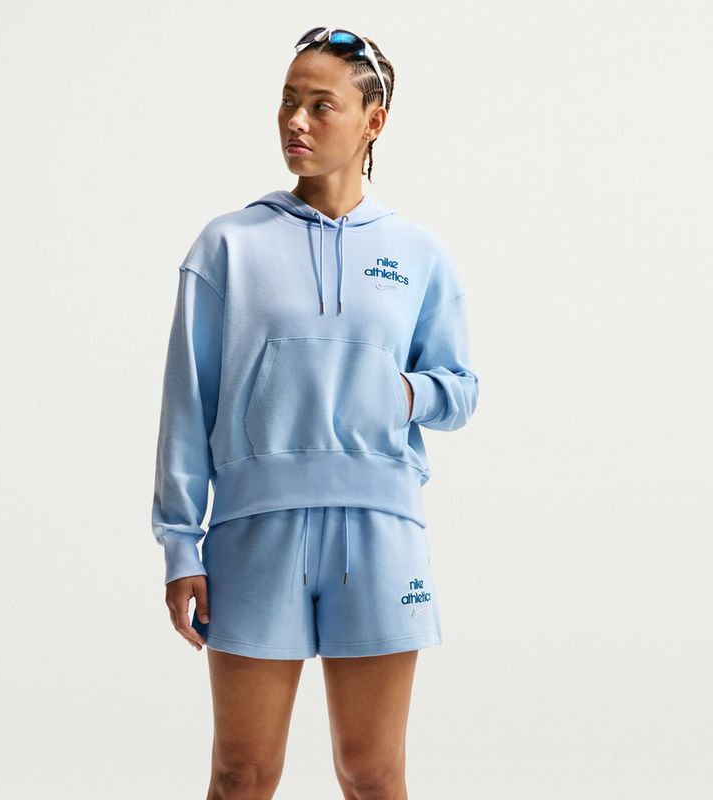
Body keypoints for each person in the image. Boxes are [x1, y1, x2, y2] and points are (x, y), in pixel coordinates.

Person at [151, 26, 480, 799]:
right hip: (254, 530)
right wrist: (180, 546)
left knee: (372, 772)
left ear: (373, 121)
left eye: (320, 105)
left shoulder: (419, 253)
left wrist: (406, 393)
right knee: (242, 773)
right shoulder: (228, 245)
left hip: (381, 528)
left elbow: (461, 388)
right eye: (287, 101)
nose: (295, 121)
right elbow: (186, 402)